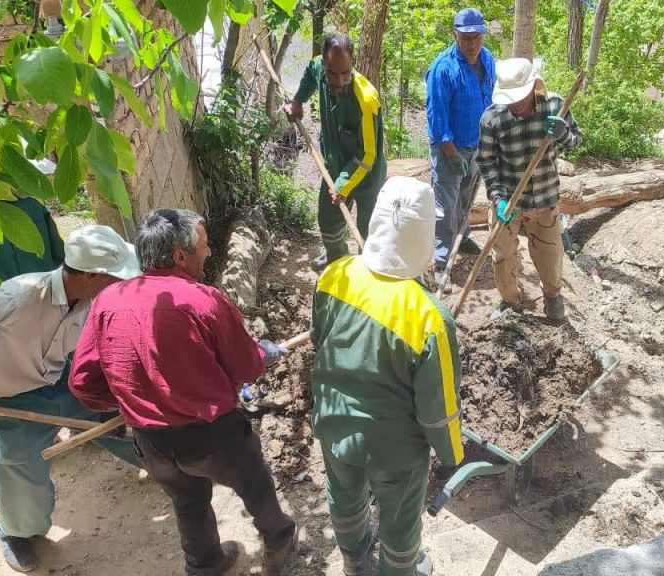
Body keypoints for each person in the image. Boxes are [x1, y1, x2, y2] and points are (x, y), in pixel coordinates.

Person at [68, 209, 297, 576]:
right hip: (211, 436)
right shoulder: (203, 300)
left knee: (188, 502)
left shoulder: (107, 302)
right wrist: (264, 354)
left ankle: (204, 566)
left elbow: (82, 381)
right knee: (254, 485)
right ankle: (279, 540)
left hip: (151, 441)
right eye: (204, 246)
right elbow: (246, 368)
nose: (209, 252)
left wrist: (129, 400)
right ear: (179, 256)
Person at [0, 225, 141, 573]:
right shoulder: (19, 296)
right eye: (116, 277)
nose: (121, 283)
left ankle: (164, 464)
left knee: (111, 421)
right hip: (10, 394)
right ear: (92, 275)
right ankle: (16, 533)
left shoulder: (92, 299)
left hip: (59, 377)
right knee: (20, 469)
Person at [311, 177, 463, 576]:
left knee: (344, 496)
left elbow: (318, 340)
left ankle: (353, 561)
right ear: (424, 237)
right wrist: (452, 457)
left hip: (333, 422)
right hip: (394, 449)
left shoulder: (335, 275)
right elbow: (438, 410)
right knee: (399, 518)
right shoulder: (430, 318)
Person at [477, 58, 583, 320]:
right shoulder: (493, 117)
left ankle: (553, 297)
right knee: (503, 255)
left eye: (519, 97)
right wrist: (498, 198)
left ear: (533, 87)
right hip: (509, 202)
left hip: (545, 199)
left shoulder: (555, 106)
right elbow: (486, 161)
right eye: (510, 98)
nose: (515, 104)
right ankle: (510, 301)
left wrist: (563, 134)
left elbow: (576, 142)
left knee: (550, 254)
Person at [283, 33, 387, 272]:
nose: (339, 81)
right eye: (332, 74)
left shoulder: (366, 99)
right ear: (325, 65)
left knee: (368, 228)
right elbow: (310, 72)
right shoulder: (319, 68)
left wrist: (342, 185)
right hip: (334, 165)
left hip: (367, 175)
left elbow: (368, 155)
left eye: (345, 73)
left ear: (353, 64)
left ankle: (367, 272)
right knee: (328, 219)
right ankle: (337, 257)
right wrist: (298, 101)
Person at [425, 8, 496, 289]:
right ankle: (441, 261)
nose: (472, 42)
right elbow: (437, 116)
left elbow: (491, 99)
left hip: (477, 144)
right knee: (446, 204)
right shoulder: (443, 69)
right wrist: (451, 153)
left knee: (467, 196)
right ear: (455, 35)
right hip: (450, 148)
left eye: (477, 36)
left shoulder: (487, 60)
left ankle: (463, 235)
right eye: (466, 37)